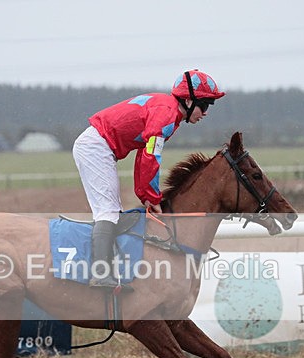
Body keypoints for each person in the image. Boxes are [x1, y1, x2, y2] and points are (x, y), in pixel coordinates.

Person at [72, 69, 225, 289]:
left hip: (99, 146)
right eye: (205, 105)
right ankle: (100, 274)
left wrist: (146, 194)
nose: (206, 112)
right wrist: (151, 196)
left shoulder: (169, 112)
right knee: (107, 211)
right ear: (190, 100)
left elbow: (144, 155)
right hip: (96, 147)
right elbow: (150, 156)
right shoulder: (166, 114)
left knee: (112, 210)